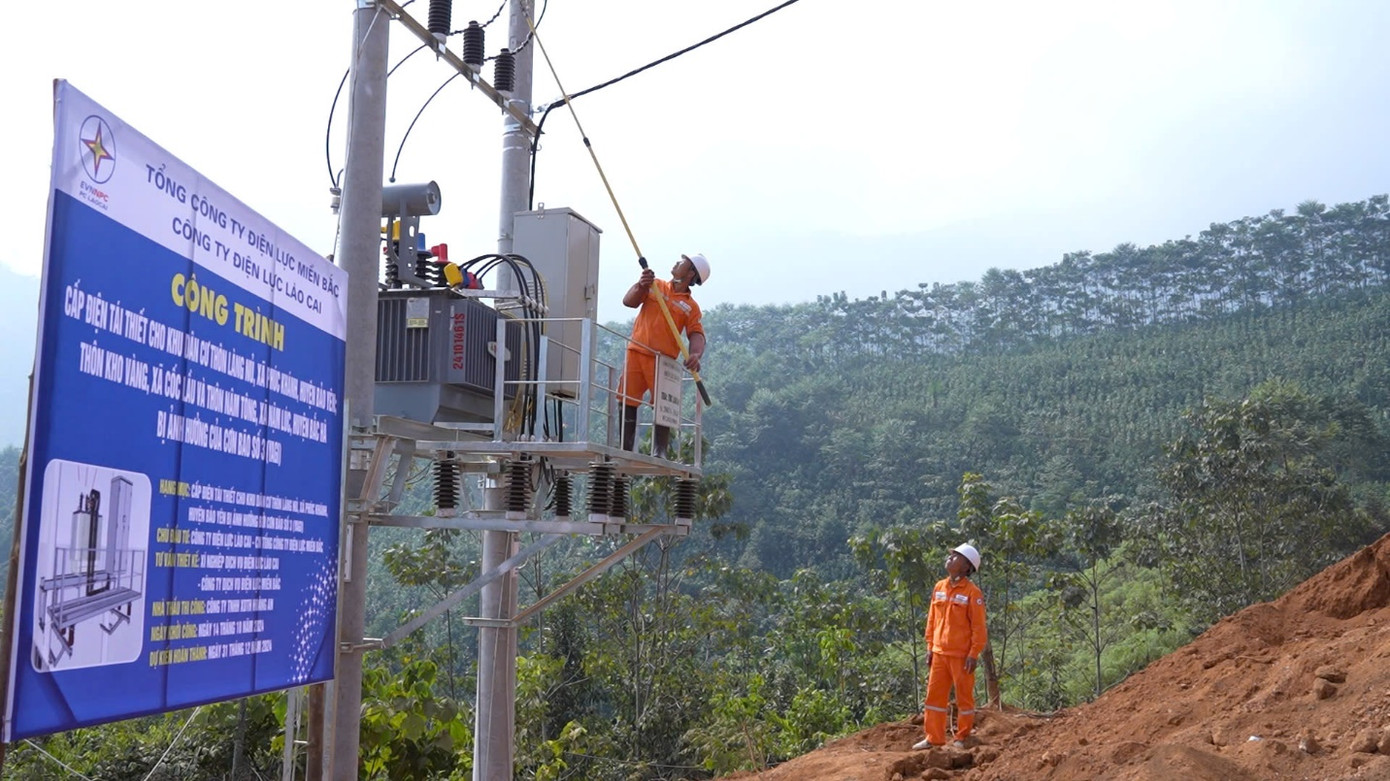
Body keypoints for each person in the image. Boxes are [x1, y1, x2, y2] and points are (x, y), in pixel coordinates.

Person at [619, 253, 709, 456]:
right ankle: (625, 446)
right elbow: (629, 302)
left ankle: (660, 449)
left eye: (682, 262)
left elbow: (696, 333)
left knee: (662, 404)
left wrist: (695, 354)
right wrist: (641, 285)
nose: (677, 262)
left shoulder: (691, 307)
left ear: (691, 272)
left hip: (662, 360)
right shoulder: (655, 285)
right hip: (636, 351)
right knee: (627, 398)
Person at [914, 543, 988, 751]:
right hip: (939, 653)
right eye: (951, 555)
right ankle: (933, 738)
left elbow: (979, 627)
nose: (950, 559)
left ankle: (961, 737)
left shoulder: (973, 593)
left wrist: (973, 653)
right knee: (934, 698)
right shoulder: (939, 587)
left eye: (956, 557)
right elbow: (932, 619)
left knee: (964, 698)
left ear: (966, 567)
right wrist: (930, 646)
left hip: (961, 656)